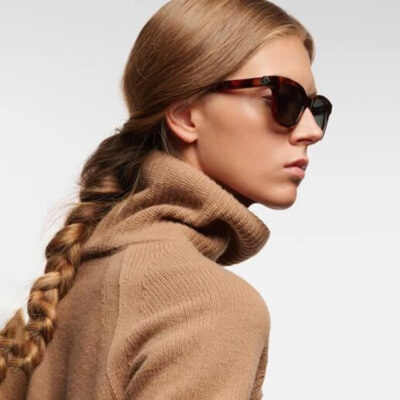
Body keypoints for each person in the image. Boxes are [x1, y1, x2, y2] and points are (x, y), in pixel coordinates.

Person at [0, 0, 332, 398]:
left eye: (315, 108)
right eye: (284, 99)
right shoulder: (209, 304)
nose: (312, 130)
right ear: (186, 115)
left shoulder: (70, 288)